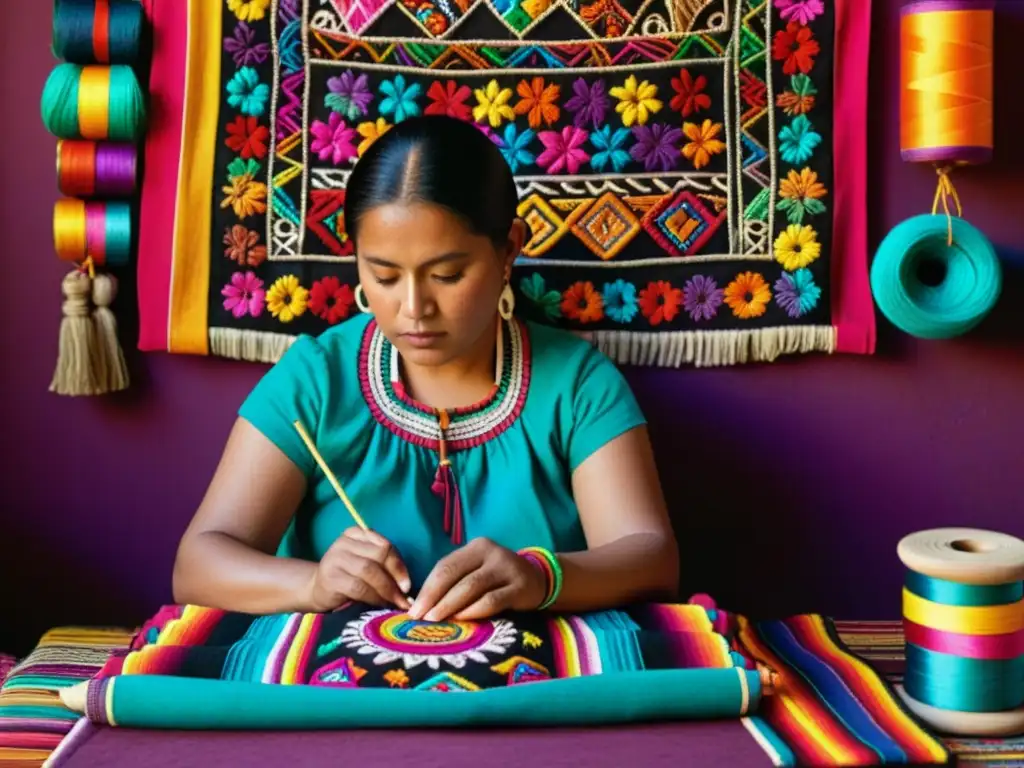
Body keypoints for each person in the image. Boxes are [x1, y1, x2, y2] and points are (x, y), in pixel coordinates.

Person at [172, 114, 678, 623]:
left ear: (508, 250)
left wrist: (540, 577)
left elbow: (652, 558)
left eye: (446, 274)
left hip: (529, 692)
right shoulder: (317, 379)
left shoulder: (577, 384)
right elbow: (196, 566)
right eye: (384, 275)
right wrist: (314, 582)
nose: (414, 307)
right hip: (339, 693)